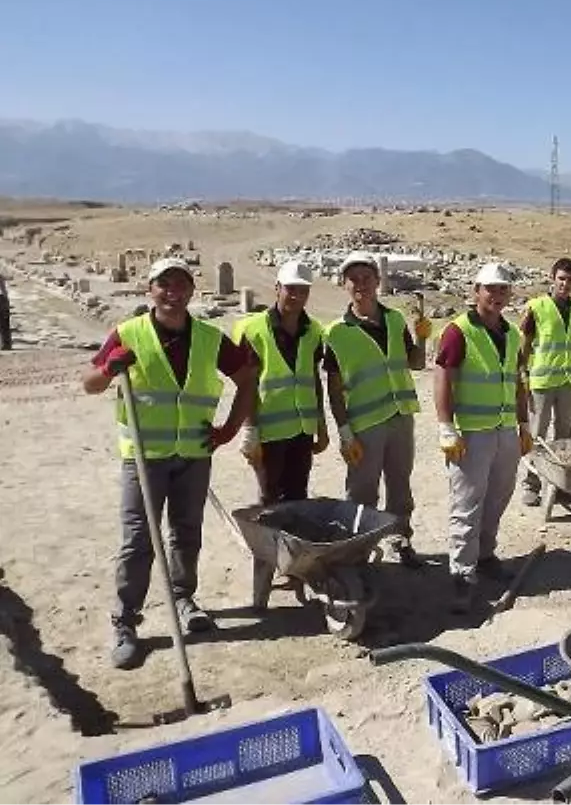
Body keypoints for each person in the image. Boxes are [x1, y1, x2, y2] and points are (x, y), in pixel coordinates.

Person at [82, 257, 256, 670]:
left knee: (186, 532)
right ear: (151, 291)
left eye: (180, 284)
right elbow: (89, 383)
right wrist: (109, 368)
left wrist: (229, 428)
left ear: (191, 292)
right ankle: (125, 622)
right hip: (144, 459)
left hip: (193, 455)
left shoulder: (210, 339)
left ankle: (182, 598)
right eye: (164, 284)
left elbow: (247, 377)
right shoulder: (128, 334)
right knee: (138, 541)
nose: (173, 292)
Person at [434, 262, 534, 613]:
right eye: (490, 289)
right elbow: (443, 378)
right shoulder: (458, 331)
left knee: (498, 497)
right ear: (476, 291)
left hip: (504, 430)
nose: (496, 295)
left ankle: (486, 554)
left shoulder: (511, 335)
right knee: (467, 505)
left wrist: (523, 424)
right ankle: (462, 573)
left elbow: (518, 382)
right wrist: (446, 427)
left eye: (503, 289)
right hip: (471, 435)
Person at [323, 251, 431, 567]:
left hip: (400, 418)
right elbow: (333, 390)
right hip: (364, 424)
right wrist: (344, 433)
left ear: (377, 281)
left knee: (400, 485)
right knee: (362, 491)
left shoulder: (395, 319)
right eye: (353, 279)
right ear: (343, 284)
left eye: (367, 278)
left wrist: (423, 338)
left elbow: (416, 363)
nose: (361, 284)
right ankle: (358, 549)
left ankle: (400, 538)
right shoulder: (336, 333)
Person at [232, 260, 329, 503]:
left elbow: (314, 378)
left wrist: (321, 426)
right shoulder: (253, 330)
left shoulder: (314, 330)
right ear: (277, 288)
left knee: (297, 498)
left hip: (302, 431)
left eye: (303, 290)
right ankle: (269, 543)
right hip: (268, 431)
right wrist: (250, 430)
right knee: (270, 498)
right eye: (291, 289)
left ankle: (293, 543)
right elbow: (248, 384)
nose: (296, 296)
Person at [519, 257, 571, 505]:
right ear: (552, 279)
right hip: (541, 380)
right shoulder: (536, 306)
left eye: (570, 280)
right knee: (537, 435)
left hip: (568, 381)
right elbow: (525, 342)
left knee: (564, 435)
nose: (565, 284)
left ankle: (561, 484)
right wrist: (522, 373)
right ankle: (531, 483)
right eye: (561, 278)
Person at [0, 272, 11, 350]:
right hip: (2, 299)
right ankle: (6, 344)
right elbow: (4, 290)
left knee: (4, 324)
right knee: (4, 324)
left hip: (2, 300)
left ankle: (6, 344)